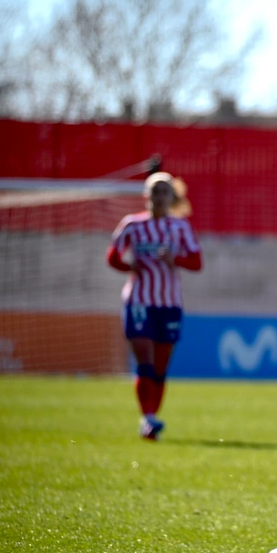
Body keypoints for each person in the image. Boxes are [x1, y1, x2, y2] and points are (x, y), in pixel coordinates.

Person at [106, 172, 202, 440]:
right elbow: (112, 256)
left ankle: (150, 419)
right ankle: (148, 418)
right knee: (144, 360)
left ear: (172, 198)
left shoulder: (180, 227)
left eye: (164, 192)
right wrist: (129, 266)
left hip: (169, 303)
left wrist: (175, 260)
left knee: (160, 368)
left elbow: (197, 262)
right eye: (155, 191)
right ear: (146, 196)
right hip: (138, 300)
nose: (159, 197)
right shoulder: (132, 225)